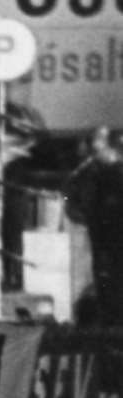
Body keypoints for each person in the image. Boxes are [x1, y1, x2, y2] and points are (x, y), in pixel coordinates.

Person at [63, 127, 123, 322]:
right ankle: (109, 318)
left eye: (99, 144)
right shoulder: (91, 173)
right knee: (104, 276)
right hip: (101, 233)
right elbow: (74, 194)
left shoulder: (114, 172)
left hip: (113, 232)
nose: (94, 151)